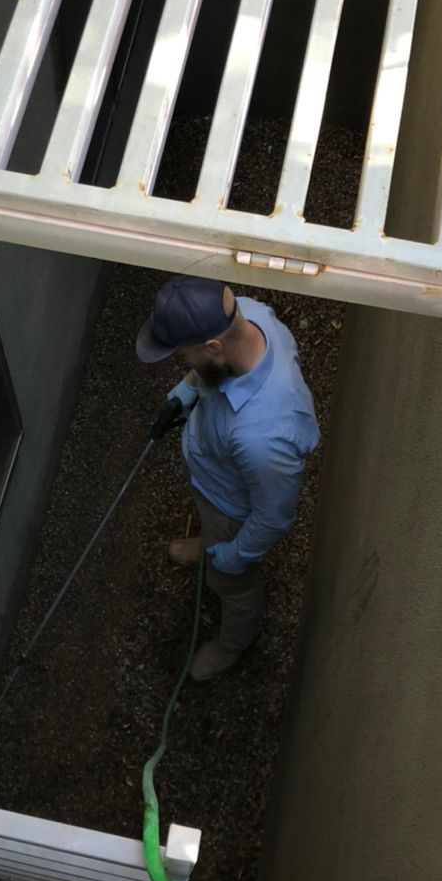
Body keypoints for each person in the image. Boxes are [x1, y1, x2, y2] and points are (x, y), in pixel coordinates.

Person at [136, 274, 319, 680]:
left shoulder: (264, 435)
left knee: (229, 584)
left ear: (213, 346)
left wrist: (235, 556)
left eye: (185, 357)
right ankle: (208, 544)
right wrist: (190, 386)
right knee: (212, 533)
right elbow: (208, 371)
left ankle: (234, 642)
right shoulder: (246, 313)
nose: (184, 364)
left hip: (232, 510)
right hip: (214, 479)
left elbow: (272, 517)